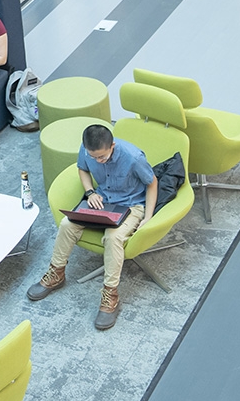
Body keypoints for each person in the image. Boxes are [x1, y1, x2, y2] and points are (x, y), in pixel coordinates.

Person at [26, 124, 158, 330]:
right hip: (103, 199)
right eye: (93, 156)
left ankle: (110, 295)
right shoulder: (87, 149)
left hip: (131, 205)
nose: (97, 160)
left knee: (113, 237)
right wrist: (90, 192)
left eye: (102, 158)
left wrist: (148, 217)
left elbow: (152, 183)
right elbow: (82, 168)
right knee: (67, 224)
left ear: (112, 146)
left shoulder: (133, 158)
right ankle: (56, 273)